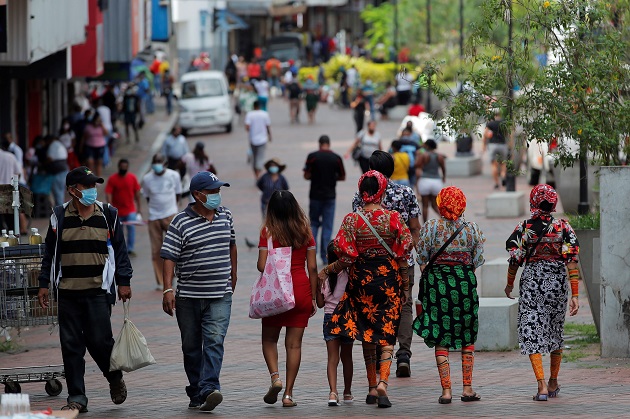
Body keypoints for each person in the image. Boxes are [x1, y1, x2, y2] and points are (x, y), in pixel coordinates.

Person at [37, 166, 132, 413]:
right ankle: (77, 397)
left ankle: (114, 378)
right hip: (68, 291)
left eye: (94, 186)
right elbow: (49, 252)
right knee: (71, 345)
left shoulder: (108, 214)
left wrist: (124, 281)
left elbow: (120, 250)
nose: (92, 190)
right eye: (87, 186)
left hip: (98, 291)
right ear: (72, 190)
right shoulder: (59, 216)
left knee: (100, 341)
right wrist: (43, 284)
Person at [321, 170, 413, 408]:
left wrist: (328, 269)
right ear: (381, 190)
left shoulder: (352, 219)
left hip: (361, 282)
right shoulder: (392, 217)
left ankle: (372, 387)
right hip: (388, 282)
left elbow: (346, 258)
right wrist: (404, 286)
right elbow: (403, 254)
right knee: (387, 332)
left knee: (367, 332)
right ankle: (384, 381)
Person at [161, 172, 237, 412]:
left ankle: (209, 388)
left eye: (218, 191)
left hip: (220, 293)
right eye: (212, 191)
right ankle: (196, 390)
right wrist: (167, 288)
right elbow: (169, 257)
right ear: (197, 194)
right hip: (189, 297)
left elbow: (231, 244)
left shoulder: (226, 215)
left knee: (215, 340)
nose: (217, 195)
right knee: (191, 347)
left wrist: (233, 274)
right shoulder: (180, 222)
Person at [504, 184, 580, 401]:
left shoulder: (525, 227)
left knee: (531, 330)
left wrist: (509, 284)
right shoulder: (564, 227)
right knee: (555, 329)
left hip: (532, 285)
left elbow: (515, 260)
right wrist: (575, 295)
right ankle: (554, 380)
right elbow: (572, 263)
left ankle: (541, 385)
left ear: (534, 200)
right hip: (557, 284)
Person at [351, 151, 421, 378]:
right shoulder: (406, 192)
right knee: (405, 304)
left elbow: (356, 228)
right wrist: (419, 258)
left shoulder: (361, 195)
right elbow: (415, 228)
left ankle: (383, 351)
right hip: (403, 259)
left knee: (376, 305)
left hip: (372, 263)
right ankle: (403, 354)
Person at [413, 186, 485, 404]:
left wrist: (432, 273)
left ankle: (446, 391)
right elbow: (478, 259)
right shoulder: (471, 229)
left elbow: (422, 257)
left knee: (440, 331)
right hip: (464, 284)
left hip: (437, 284)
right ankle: (467, 388)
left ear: (440, 203)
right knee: (467, 333)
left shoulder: (431, 227)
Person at [257, 190, 318, 408]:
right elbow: (312, 267)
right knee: (293, 346)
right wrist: (313, 297)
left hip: (275, 293)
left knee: (269, 340)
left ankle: (275, 378)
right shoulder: (305, 231)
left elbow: (262, 266)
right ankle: (289, 395)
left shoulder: (267, 231)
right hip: (300, 290)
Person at [315, 242, 354, 406]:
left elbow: (320, 304)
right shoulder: (349, 274)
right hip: (347, 317)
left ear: (327, 257)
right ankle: (347, 392)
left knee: (332, 358)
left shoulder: (324, 278)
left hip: (330, 318)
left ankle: (333, 392)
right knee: (347, 357)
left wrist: (317, 287)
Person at [303, 135, 346, 263]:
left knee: (314, 224)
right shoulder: (336, 158)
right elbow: (342, 176)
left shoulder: (313, 157)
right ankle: (325, 256)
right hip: (330, 196)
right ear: (329, 143)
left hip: (315, 196)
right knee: (327, 226)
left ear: (319, 144)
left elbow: (306, 175)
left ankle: (311, 253)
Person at [141, 154, 181, 289]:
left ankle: (175, 275)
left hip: (170, 214)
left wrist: (172, 209)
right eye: (155, 162)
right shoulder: (147, 179)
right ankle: (161, 280)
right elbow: (147, 196)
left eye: (159, 162)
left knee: (174, 247)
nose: (157, 164)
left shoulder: (173, 175)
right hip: (154, 216)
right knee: (156, 249)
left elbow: (178, 193)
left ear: (165, 163)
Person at [105, 159, 142, 256]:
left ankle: (130, 249)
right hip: (117, 211)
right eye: (122, 167)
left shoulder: (132, 178)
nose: (123, 169)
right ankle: (120, 249)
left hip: (130, 210)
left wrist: (139, 208)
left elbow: (137, 193)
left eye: (125, 167)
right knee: (117, 232)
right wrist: (110, 208)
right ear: (118, 167)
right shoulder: (113, 179)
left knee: (131, 229)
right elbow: (108, 193)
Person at [416, 139, 446, 222]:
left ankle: (425, 224)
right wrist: (443, 177)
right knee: (435, 204)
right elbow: (443, 168)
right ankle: (445, 220)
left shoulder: (423, 155)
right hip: (436, 181)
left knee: (425, 205)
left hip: (425, 180)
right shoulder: (439, 156)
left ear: (427, 146)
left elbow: (417, 165)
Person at [245, 101, 272, 179]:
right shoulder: (265, 114)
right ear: (259, 106)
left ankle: (256, 175)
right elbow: (267, 126)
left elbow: (247, 127)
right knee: (260, 157)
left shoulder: (250, 114)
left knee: (254, 157)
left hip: (253, 139)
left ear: (253, 106)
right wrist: (270, 136)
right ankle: (258, 174)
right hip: (263, 139)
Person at [483, 109, 508, 189]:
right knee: (503, 163)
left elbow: (485, 134)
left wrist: (483, 145)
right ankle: (503, 175)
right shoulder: (503, 123)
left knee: (494, 164)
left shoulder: (490, 123)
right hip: (502, 145)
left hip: (492, 145)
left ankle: (496, 183)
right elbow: (508, 134)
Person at [0, 139, 22, 231]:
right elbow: (18, 173)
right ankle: (12, 236)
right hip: (9, 188)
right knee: (10, 216)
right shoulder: (10, 156)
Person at [81, 113, 109, 178]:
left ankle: (98, 177)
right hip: (90, 146)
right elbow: (84, 137)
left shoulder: (101, 127)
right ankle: (90, 177)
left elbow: (106, 133)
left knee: (99, 162)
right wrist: (81, 147)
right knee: (90, 162)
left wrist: (101, 125)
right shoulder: (88, 127)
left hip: (100, 146)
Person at [46, 135, 69, 207]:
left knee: (58, 192)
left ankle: (60, 210)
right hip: (64, 169)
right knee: (61, 192)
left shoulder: (52, 145)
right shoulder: (59, 144)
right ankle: (61, 208)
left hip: (58, 171)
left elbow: (50, 158)